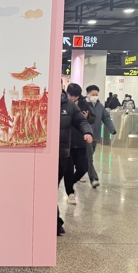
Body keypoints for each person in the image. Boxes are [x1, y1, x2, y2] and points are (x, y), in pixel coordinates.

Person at [58, 89, 93, 235]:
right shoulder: (42, 100)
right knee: (48, 188)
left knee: (52, 187)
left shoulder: (69, 105)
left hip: (62, 152)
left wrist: (87, 132)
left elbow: (81, 121)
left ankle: (55, 221)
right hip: (42, 153)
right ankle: (54, 220)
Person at [62, 84, 94, 203]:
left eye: (76, 96)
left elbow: (90, 119)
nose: (73, 98)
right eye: (71, 95)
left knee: (83, 167)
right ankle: (70, 193)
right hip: (67, 143)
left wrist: (87, 118)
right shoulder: (63, 104)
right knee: (68, 169)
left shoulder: (84, 104)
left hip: (81, 142)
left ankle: (70, 183)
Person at [82, 84, 117, 188]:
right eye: (93, 94)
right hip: (85, 135)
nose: (95, 97)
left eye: (96, 95)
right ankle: (94, 179)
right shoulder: (82, 104)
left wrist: (112, 129)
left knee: (87, 157)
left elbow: (106, 118)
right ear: (87, 94)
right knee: (89, 158)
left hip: (95, 136)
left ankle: (79, 171)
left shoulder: (100, 106)